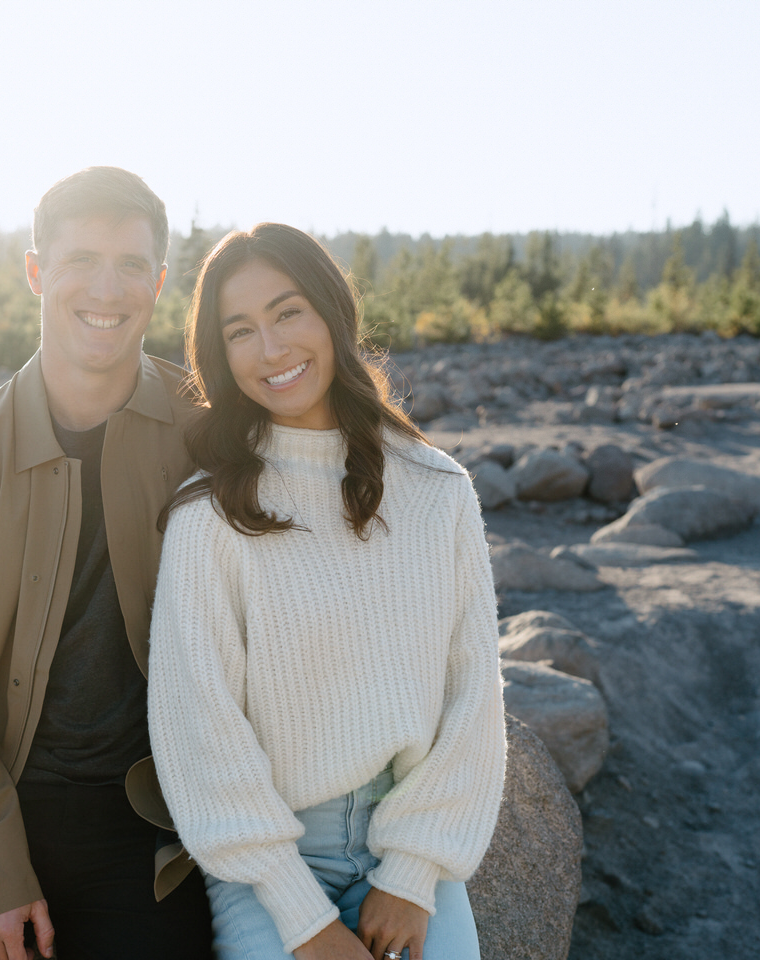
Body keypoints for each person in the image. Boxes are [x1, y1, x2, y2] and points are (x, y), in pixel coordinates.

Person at [0, 167, 214, 960]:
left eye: (132, 265)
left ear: (159, 283)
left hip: (149, 821)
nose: (108, 286)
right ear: (35, 271)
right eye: (81, 260)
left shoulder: (203, 431)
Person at [148, 223, 506, 960]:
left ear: (331, 312)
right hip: (271, 859)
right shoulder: (209, 513)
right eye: (240, 330)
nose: (272, 350)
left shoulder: (438, 490)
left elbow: (474, 690)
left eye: (288, 313)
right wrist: (302, 919)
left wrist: (412, 874)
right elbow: (199, 727)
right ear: (221, 355)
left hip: (404, 840)